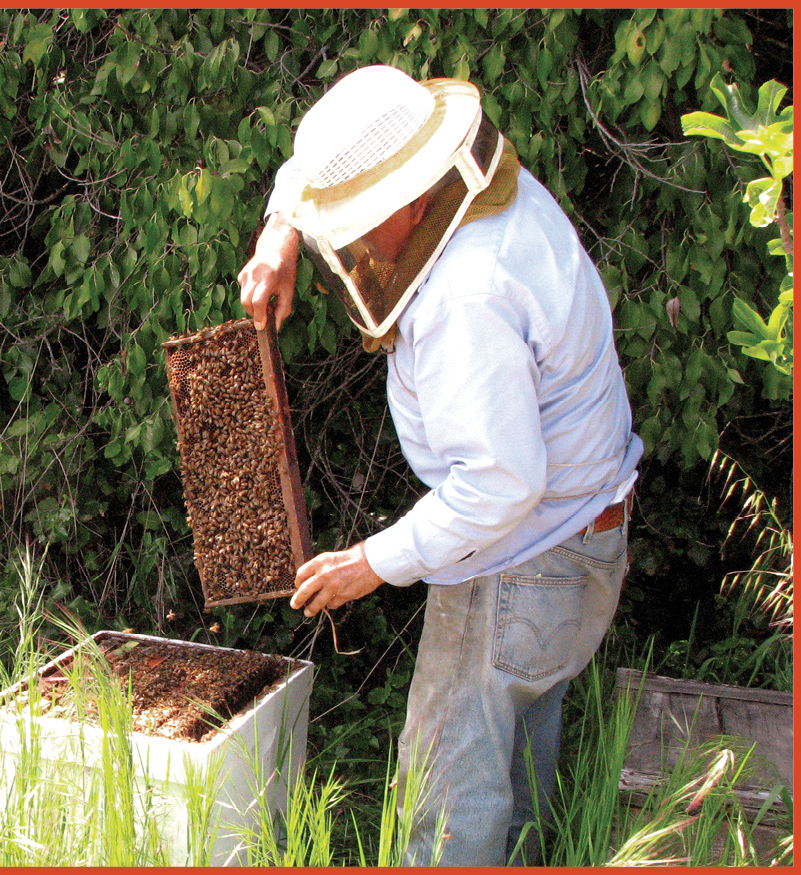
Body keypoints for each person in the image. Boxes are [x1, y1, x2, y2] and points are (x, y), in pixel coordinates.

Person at [238, 65, 643, 866]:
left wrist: (370, 563)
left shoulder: (467, 294)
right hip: (580, 539)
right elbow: (336, 160)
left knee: (445, 810)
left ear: (409, 201)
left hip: (525, 561)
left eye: (353, 224)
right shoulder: (467, 181)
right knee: (514, 776)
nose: (346, 244)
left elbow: (500, 484)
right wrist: (282, 227)